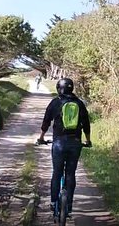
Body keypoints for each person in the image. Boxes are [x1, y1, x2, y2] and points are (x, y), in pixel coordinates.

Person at [37, 77, 92, 214]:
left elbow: (46, 122)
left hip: (59, 143)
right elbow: (86, 124)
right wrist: (88, 140)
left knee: (57, 172)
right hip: (75, 143)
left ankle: (53, 201)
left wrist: (41, 138)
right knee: (70, 174)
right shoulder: (79, 103)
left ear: (58, 88)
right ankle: (69, 205)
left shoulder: (56, 102)